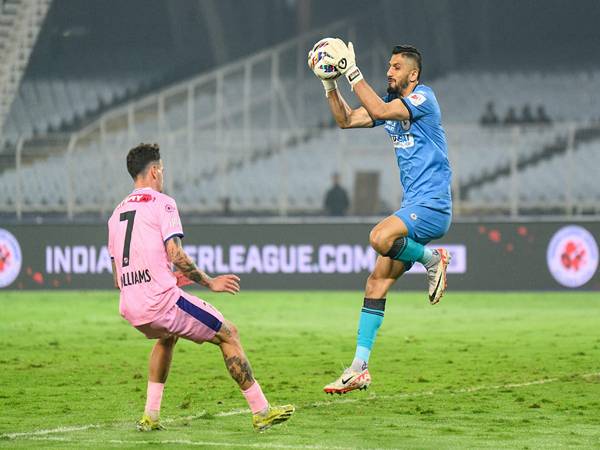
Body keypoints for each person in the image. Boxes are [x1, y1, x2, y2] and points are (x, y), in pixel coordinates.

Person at [108, 143, 294, 431]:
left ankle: (150, 415)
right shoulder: (162, 202)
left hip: (131, 306)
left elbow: (117, 274)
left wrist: (164, 278)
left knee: (167, 337)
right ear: (155, 171)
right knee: (229, 333)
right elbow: (175, 253)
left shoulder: (116, 214)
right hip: (161, 302)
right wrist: (209, 282)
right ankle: (261, 411)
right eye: (162, 170)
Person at [308, 41, 452, 394]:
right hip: (413, 205)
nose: (389, 71)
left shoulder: (423, 99)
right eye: (388, 66)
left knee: (379, 237)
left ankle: (432, 259)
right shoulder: (390, 107)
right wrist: (330, 82)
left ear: (413, 74)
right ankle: (359, 368)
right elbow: (346, 119)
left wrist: (351, 70)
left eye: (396, 67)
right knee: (375, 283)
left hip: (432, 204)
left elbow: (379, 109)